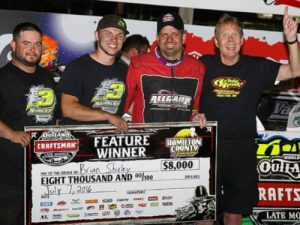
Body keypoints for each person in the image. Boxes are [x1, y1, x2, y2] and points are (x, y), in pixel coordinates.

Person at [199, 7, 300, 225]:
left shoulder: (256, 67)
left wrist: (291, 39)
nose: (230, 40)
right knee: (204, 212)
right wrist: (192, 113)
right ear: (216, 41)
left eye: (235, 34)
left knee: (234, 212)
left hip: (241, 149)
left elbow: (295, 71)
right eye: (224, 35)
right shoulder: (202, 65)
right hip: (208, 146)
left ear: (242, 40)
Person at [0, 22, 58, 225]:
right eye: (26, 43)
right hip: (9, 178)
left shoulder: (48, 78)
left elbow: (56, 117)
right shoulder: (2, 78)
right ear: (14, 46)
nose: (33, 49)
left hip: (42, 174)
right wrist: (11, 134)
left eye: (37, 44)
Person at [124, 12, 206, 127]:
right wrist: (144, 124)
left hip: (178, 141)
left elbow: (194, 108)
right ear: (157, 38)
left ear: (183, 37)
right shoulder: (138, 64)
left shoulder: (197, 68)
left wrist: (195, 116)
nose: (169, 39)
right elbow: (124, 104)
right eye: (164, 35)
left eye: (175, 34)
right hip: (147, 141)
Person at [57, 14, 129, 132]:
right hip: (81, 143)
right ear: (97, 35)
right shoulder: (77, 67)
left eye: (119, 35)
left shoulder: (125, 70)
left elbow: (132, 106)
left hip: (111, 144)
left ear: (124, 40)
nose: (114, 39)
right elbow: (68, 109)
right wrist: (107, 116)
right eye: (108, 33)